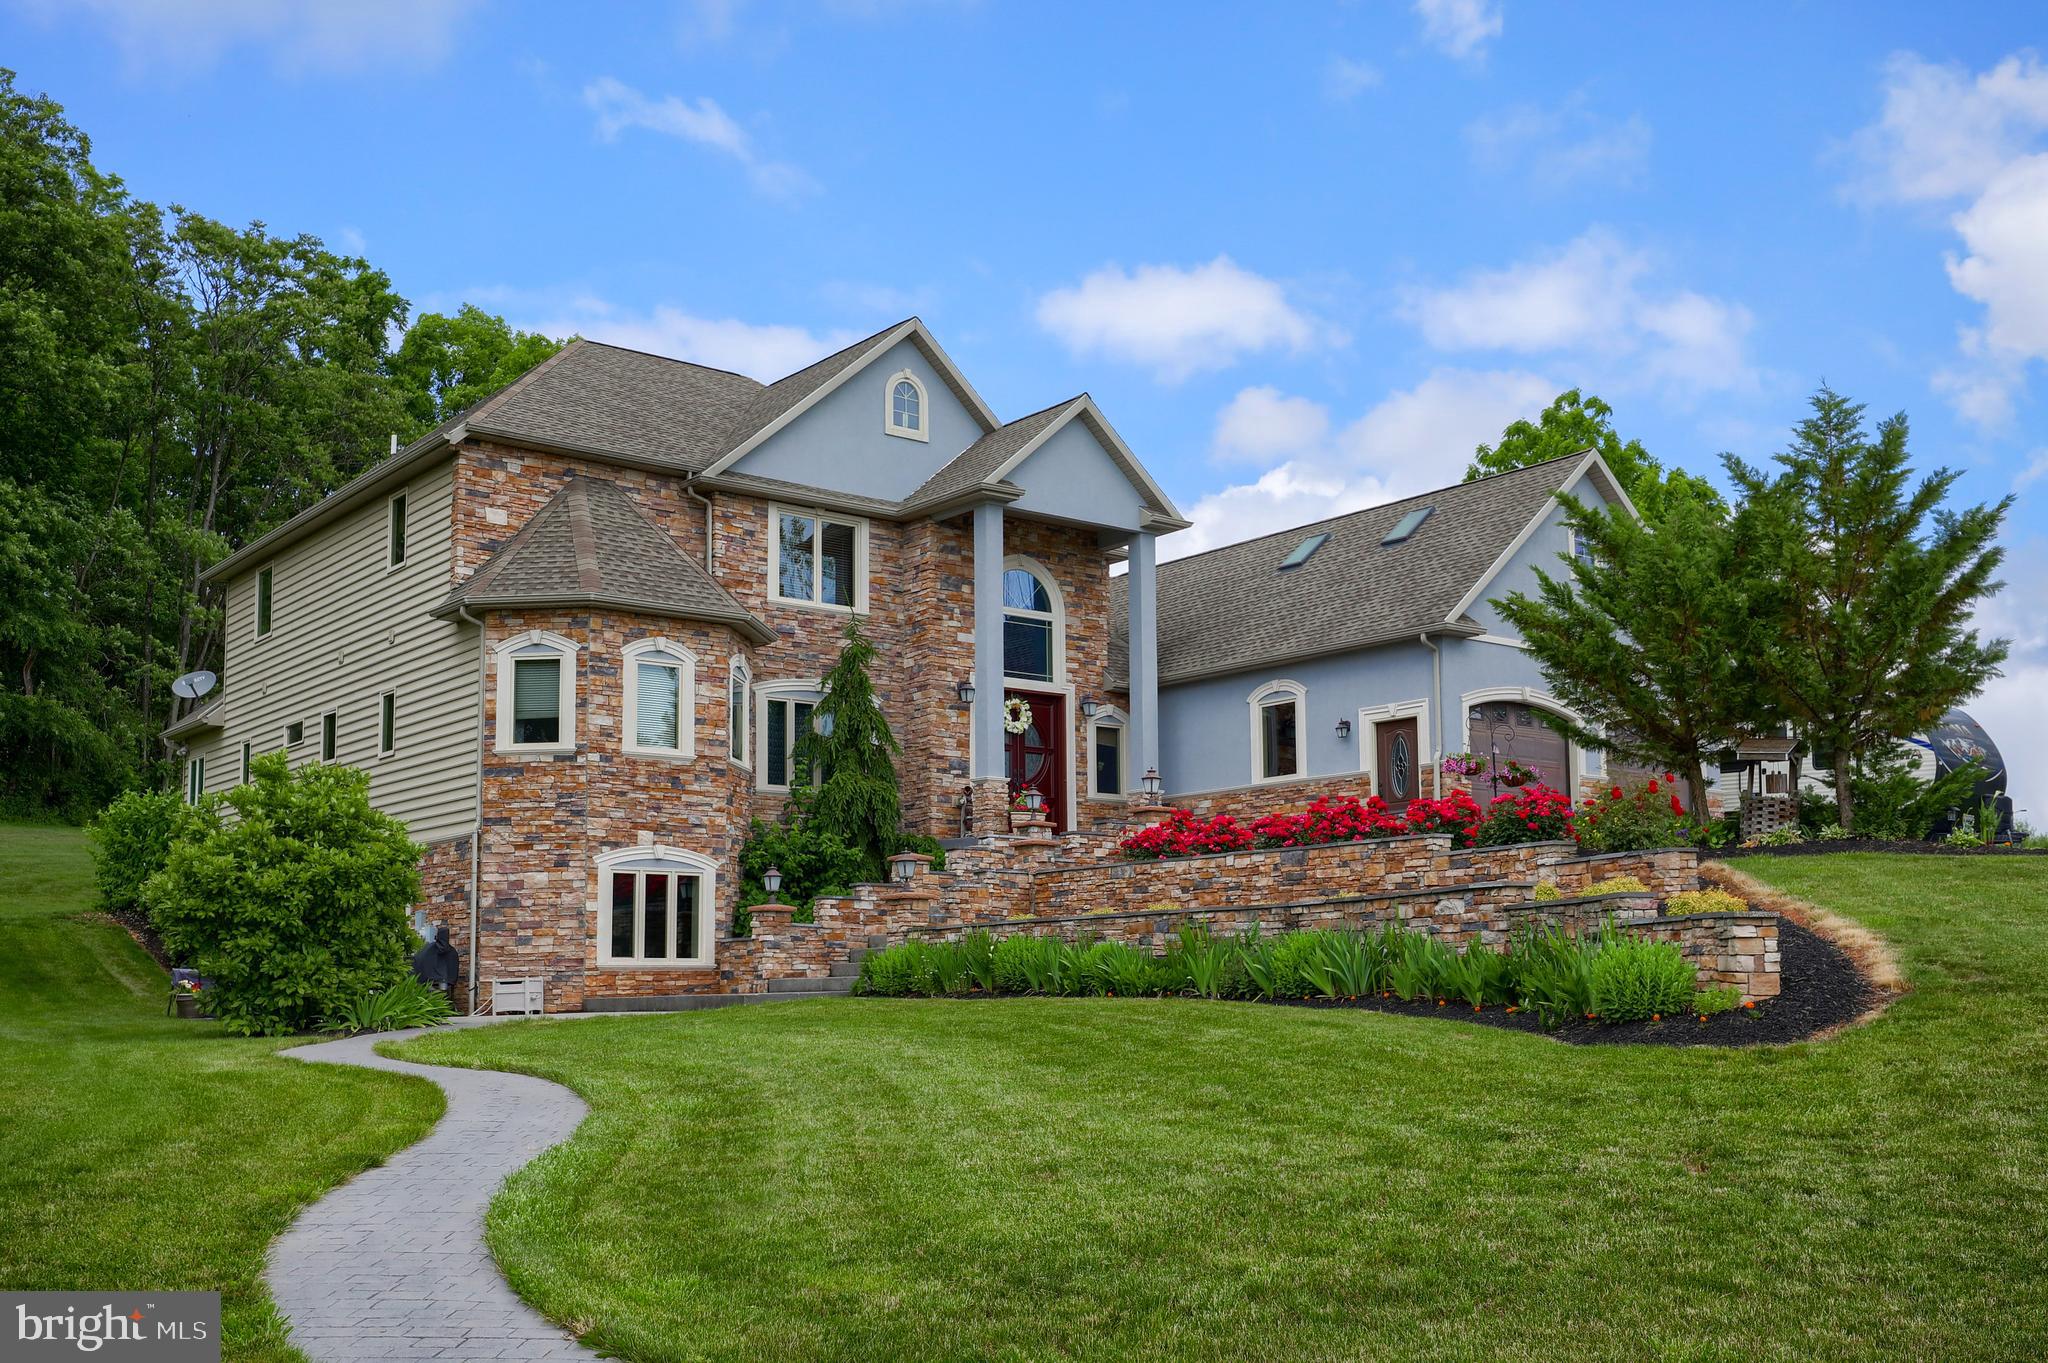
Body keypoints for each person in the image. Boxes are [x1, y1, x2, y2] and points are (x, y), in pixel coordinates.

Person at [411, 925, 461, 1001]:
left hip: (430, 982)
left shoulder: (428, 949)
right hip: (438, 983)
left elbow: (418, 960)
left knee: (438, 989)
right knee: (442, 990)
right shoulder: (451, 952)